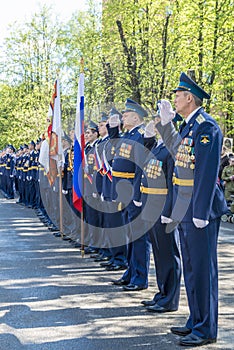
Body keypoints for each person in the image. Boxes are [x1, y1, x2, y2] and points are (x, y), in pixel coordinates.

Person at [155, 72, 227, 346]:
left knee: (203, 269)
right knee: (191, 268)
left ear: (189, 98)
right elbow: (177, 168)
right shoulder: (187, 127)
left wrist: (200, 211)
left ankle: (206, 327)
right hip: (185, 208)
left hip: (200, 211)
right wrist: (165, 123)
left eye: (177, 95)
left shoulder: (206, 127)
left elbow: (207, 173)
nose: (174, 99)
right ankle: (195, 318)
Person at [140, 120, 181, 313]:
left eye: (159, 124)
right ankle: (162, 293)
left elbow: (174, 182)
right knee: (159, 253)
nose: (155, 126)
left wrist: (169, 211)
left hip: (163, 207)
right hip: (152, 206)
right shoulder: (159, 146)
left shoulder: (172, 149)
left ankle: (170, 299)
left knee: (168, 253)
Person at [110, 98, 151, 291]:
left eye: (125, 115)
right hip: (123, 191)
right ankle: (130, 271)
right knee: (129, 235)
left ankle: (140, 277)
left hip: (134, 192)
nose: (122, 117)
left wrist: (136, 195)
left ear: (136, 117)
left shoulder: (141, 136)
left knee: (138, 237)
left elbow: (141, 169)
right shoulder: (129, 135)